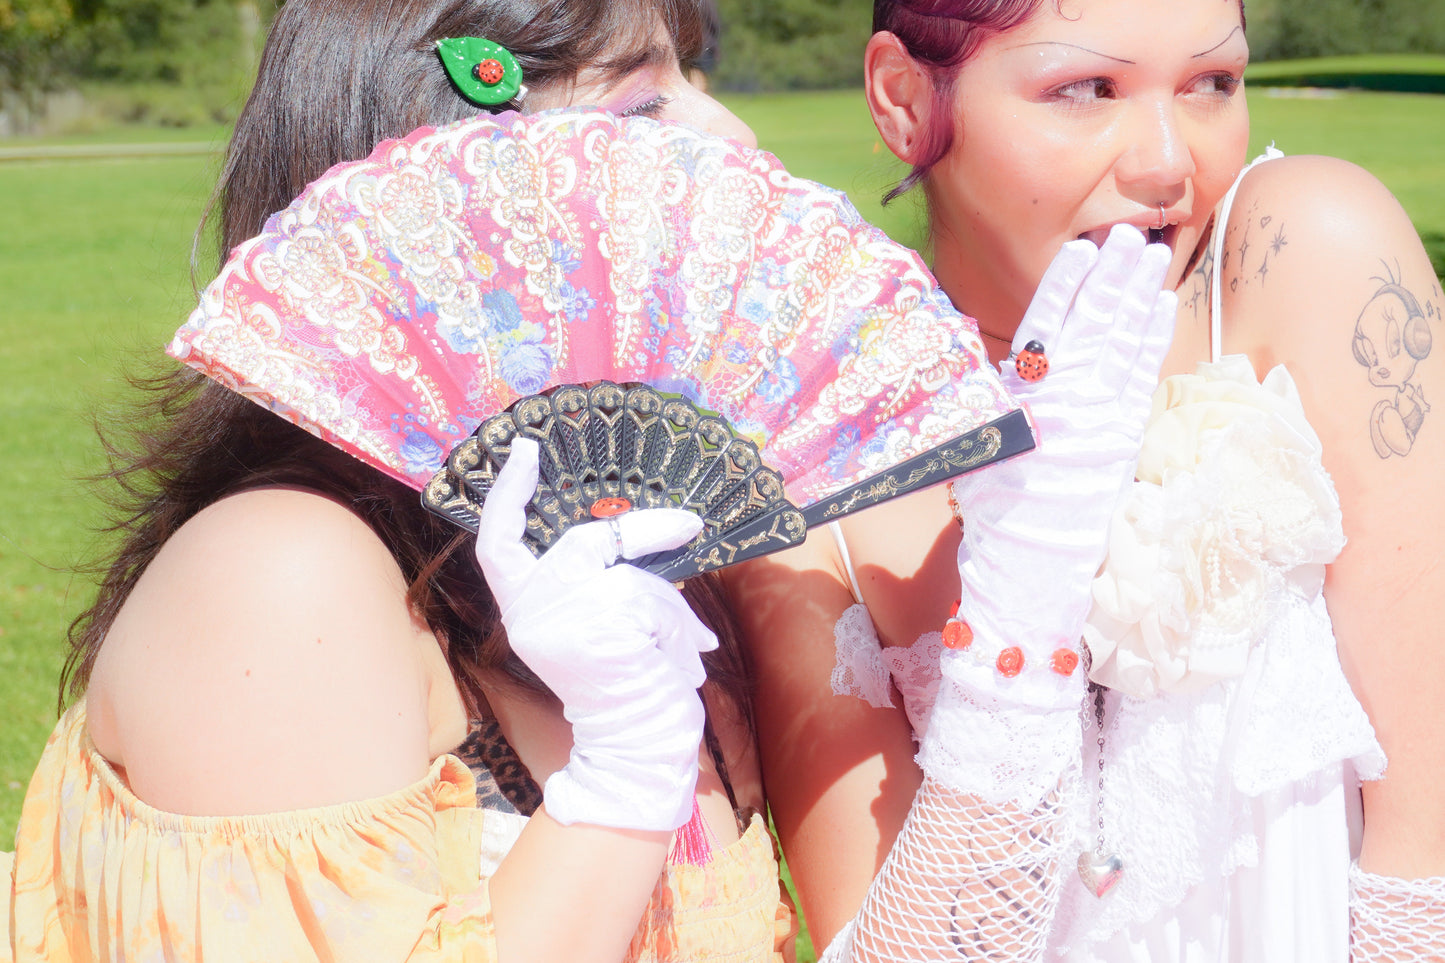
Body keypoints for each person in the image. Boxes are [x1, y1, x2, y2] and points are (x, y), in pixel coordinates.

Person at [0, 1, 793, 960]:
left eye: (692, 77)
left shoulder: (629, 537)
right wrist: (623, 773)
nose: (733, 135)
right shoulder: (282, 579)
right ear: (442, 183)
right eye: (639, 106)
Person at [726, 0, 1445, 959]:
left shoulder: (1303, 254)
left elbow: (1423, 863)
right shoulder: (804, 455)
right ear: (903, 98)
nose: (1165, 163)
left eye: (1210, 84)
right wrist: (1013, 630)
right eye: (1084, 90)